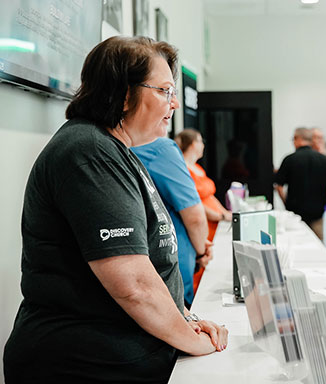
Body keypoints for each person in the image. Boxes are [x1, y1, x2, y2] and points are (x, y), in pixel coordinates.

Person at [3, 36, 228, 383]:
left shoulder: (117, 151)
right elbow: (134, 284)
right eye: (165, 90)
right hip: (82, 364)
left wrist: (186, 320)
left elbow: (151, 260)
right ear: (124, 94)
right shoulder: (89, 152)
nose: (174, 104)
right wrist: (194, 341)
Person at [132, 137, 213, 307]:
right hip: (173, 263)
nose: (174, 108)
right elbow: (195, 217)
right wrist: (200, 252)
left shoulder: (118, 148)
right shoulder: (161, 150)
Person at [175, 128, 232, 291]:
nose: (203, 145)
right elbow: (193, 203)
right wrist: (219, 216)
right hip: (202, 224)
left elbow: (209, 196)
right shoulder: (183, 169)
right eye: (201, 141)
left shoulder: (197, 168)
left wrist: (225, 213)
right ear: (193, 144)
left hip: (214, 223)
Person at [275, 127, 326, 240]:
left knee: (297, 244)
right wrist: (324, 200)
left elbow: (278, 186)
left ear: (297, 139)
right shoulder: (323, 159)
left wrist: (285, 202)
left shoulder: (289, 159)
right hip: (317, 212)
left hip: (295, 213)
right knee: (319, 246)